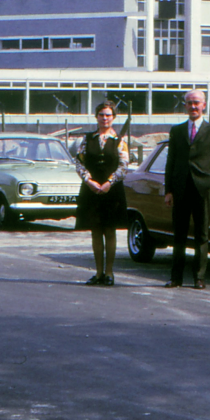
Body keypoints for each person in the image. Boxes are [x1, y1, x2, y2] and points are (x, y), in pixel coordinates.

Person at [164, 89, 210, 289]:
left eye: (197, 103)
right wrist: (169, 191)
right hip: (180, 190)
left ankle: (199, 278)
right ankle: (176, 278)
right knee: (179, 235)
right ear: (185, 106)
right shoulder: (176, 131)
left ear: (204, 105)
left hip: (202, 190)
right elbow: (171, 162)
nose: (193, 106)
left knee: (202, 235)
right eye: (189, 103)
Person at [74, 100, 129, 286]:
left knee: (110, 231)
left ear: (113, 118)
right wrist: (89, 181)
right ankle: (97, 273)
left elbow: (123, 166)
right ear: (96, 117)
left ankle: (109, 273)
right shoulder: (87, 139)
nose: (104, 118)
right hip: (91, 191)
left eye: (108, 115)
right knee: (96, 231)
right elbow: (79, 162)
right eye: (101, 115)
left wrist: (109, 183)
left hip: (111, 191)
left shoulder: (120, 141)